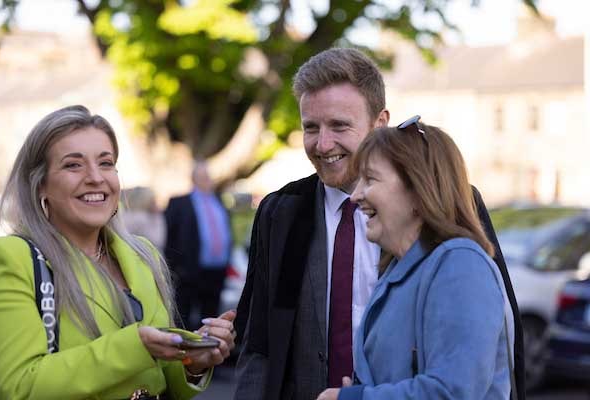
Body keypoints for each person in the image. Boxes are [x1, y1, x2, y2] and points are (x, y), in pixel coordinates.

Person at [234, 48, 525, 400]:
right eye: (311, 127)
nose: (323, 144)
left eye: (340, 125)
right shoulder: (281, 212)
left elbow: (490, 357)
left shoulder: (449, 206)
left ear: (380, 123)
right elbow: (259, 345)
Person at [0, 105, 236, 400]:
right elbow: (20, 387)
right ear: (40, 185)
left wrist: (193, 362)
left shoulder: (144, 255)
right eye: (73, 165)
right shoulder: (13, 258)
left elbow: (165, 379)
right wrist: (136, 345)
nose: (96, 177)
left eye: (106, 163)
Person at [317, 117, 515, 400]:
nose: (356, 195)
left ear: (417, 190)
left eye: (370, 179)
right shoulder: (400, 269)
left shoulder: (461, 266)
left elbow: (453, 392)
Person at [164, 161, 233, 330]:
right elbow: (169, 236)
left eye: (208, 176)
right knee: (184, 317)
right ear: (193, 179)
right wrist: (177, 268)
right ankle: (183, 354)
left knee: (211, 317)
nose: (206, 180)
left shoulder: (219, 200)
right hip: (189, 271)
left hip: (217, 271)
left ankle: (209, 352)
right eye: (202, 177)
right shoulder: (180, 203)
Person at [121, 186, 166, 252]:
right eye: (152, 200)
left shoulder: (153, 216)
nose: (155, 203)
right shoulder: (139, 218)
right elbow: (157, 240)